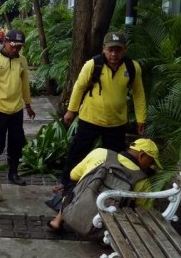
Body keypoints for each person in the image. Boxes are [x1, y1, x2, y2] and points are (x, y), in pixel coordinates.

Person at [57, 31, 146, 193]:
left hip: (116, 122)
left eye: (118, 50)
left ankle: (110, 186)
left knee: (115, 158)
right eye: (110, 49)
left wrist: (141, 119)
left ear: (124, 50)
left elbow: (139, 93)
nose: (114, 54)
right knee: (77, 152)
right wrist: (71, 111)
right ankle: (66, 183)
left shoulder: (133, 67)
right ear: (103, 48)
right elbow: (79, 87)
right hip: (90, 119)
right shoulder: (93, 65)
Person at [47, 138, 161, 231]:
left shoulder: (100, 153)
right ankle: (105, 239)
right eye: (150, 162)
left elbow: (73, 175)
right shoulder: (142, 181)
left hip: (72, 211)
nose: (150, 166)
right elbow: (144, 210)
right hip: (101, 228)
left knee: (75, 184)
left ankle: (57, 220)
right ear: (141, 155)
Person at [0, 29, 36, 185]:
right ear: (4, 42)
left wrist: (28, 105)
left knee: (16, 140)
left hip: (16, 109)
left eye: (19, 47)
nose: (16, 49)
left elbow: (25, 85)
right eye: (13, 46)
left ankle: (13, 173)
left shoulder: (22, 60)